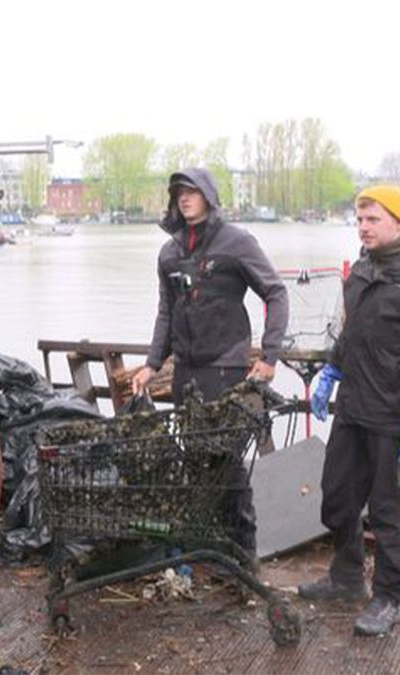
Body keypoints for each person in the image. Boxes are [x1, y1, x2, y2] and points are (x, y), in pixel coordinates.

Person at [302, 185, 400, 637]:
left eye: (373, 219)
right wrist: (332, 371)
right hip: (354, 408)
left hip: (395, 415)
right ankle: (347, 576)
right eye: (359, 220)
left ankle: (387, 596)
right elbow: (351, 334)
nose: (364, 228)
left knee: (389, 511)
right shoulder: (363, 271)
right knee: (336, 495)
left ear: (399, 222)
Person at [130, 167, 289, 564]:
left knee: (228, 465)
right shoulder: (170, 252)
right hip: (186, 371)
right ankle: (210, 549)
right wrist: (152, 364)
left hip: (227, 369)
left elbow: (276, 293)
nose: (184, 200)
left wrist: (269, 357)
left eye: (192, 192)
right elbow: (165, 313)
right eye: (178, 194)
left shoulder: (236, 242)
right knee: (194, 462)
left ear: (208, 196)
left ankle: (243, 554)